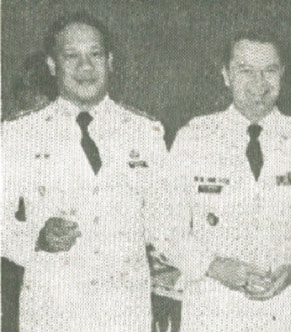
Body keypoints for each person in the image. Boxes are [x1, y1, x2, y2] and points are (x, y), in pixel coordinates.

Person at [151, 29, 291, 331]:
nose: (259, 84)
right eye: (245, 71)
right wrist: (213, 265)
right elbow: (163, 226)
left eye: (270, 71)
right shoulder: (194, 138)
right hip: (213, 309)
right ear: (226, 75)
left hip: (284, 309)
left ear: (282, 74)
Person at [2, 12, 167, 331]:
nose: (85, 67)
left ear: (110, 61)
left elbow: (165, 227)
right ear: (52, 65)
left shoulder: (146, 133)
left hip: (124, 316)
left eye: (95, 55)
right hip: (53, 315)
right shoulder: (18, 135)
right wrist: (36, 239)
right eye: (71, 56)